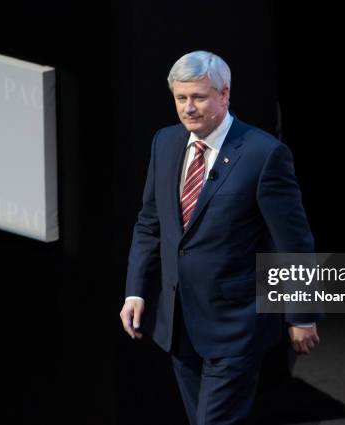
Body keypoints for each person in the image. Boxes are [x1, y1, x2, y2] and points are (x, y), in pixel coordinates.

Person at [120, 50, 322, 425]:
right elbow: (150, 224)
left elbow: (293, 242)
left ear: (225, 94)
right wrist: (136, 291)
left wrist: (301, 315)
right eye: (181, 98)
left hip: (237, 325)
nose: (188, 108)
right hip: (179, 324)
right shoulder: (164, 144)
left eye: (198, 97)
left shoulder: (264, 154)